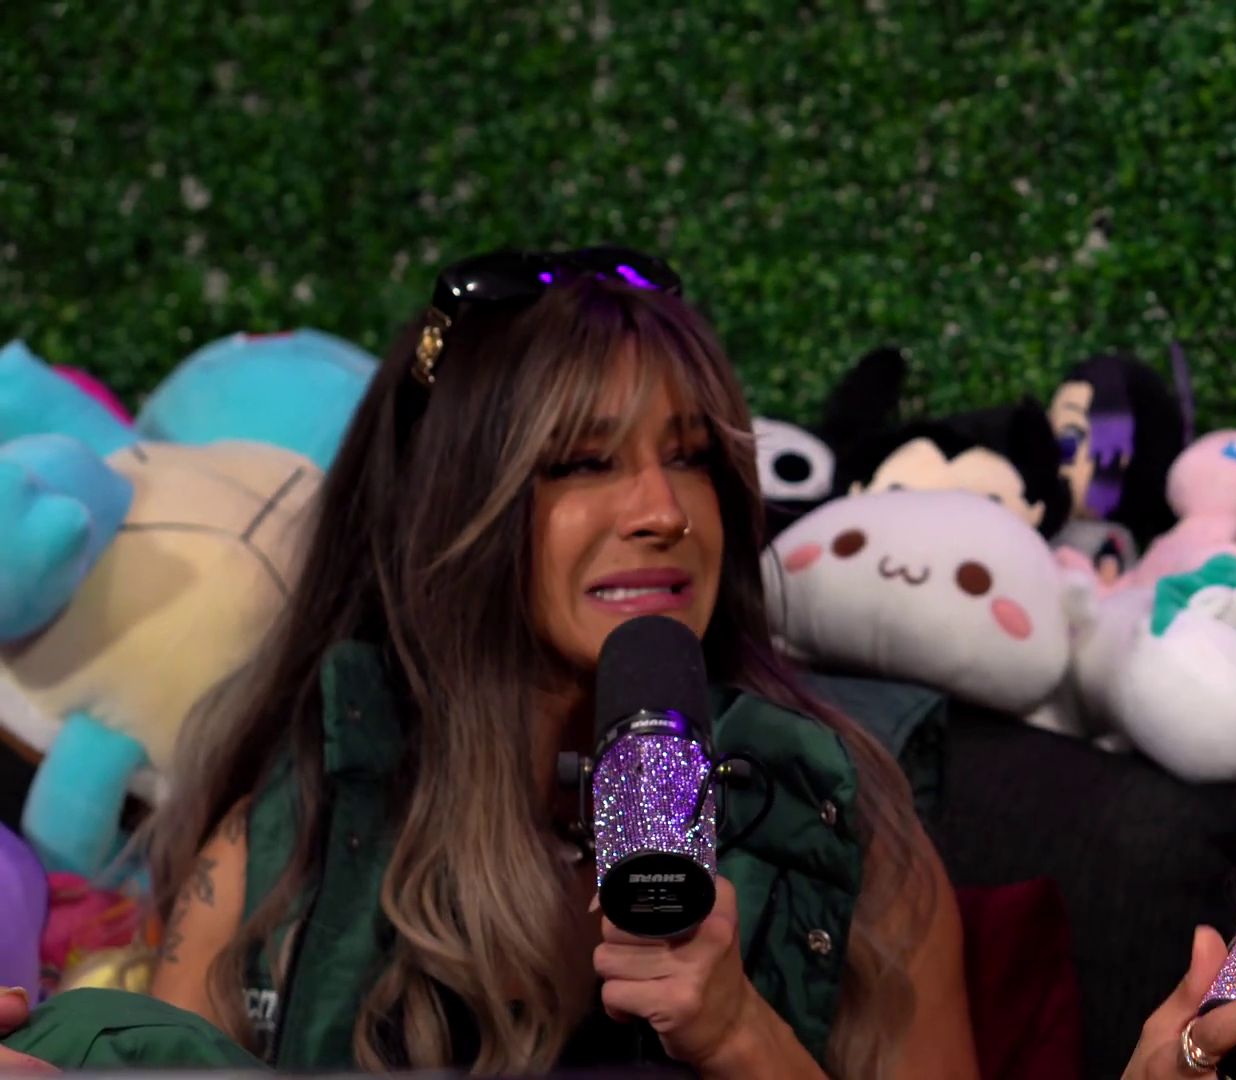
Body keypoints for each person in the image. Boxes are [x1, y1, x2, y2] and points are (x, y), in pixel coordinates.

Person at [123, 248, 978, 1078]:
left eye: (690, 457)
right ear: (451, 511)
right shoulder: (278, 854)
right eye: (583, 463)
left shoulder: (851, 838)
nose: (663, 512)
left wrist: (739, 1036)